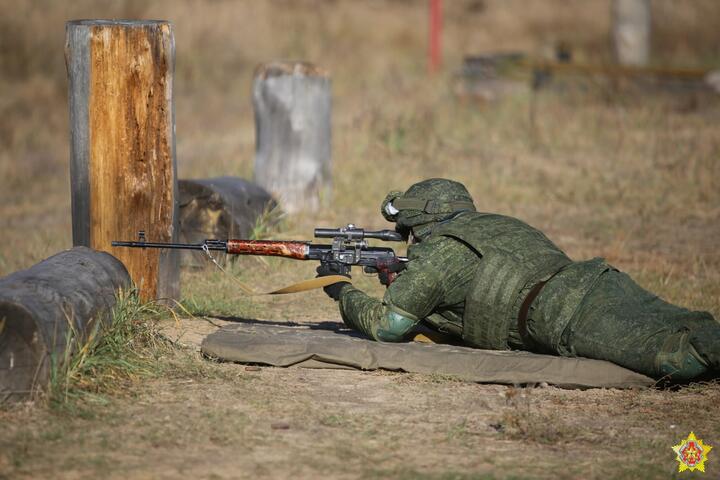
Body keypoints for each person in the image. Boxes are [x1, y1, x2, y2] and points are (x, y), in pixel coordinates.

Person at [317, 178, 719, 381]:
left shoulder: (439, 251)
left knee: (679, 358)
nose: (409, 240)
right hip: (598, 280)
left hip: (562, 314)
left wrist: (340, 288)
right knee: (694, 326)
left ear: (421, 221)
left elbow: (388, 328)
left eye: (408, 231)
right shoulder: (498, 224)